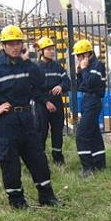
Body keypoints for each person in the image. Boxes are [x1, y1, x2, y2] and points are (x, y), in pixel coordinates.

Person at [0, 24, 61, 209]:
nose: (14, 47)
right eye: (10, 43)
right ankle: (17, 202)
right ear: (3, 45)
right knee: (10, 163)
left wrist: (28, 62)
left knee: (38, 158)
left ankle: (47, 197)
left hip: (27, 119)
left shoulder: (26, 66)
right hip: (7, 123)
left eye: (18, 43)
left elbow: (40, 82)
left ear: (22, 45)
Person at [34, 36, 71, 165]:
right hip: (42, 105)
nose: (51, 51)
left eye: (52, 49)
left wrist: (61, 86)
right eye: (48, 49)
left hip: (57, 103)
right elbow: (33, 90)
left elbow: (67, 82)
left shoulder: (58, 67)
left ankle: (58, 158)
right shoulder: (35, 68)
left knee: (57, 132)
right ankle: (40, 160)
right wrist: (46, 102)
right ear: (41, 51)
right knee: (41, 132)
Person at [73, 38, 106, 176]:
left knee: (81, 135)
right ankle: (100, 164)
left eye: (78, 56)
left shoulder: (97, 66)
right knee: (94, 134)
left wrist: (85, 69)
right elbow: (82, 86)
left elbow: (91, 83)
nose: (77, 58)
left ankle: (88, 168)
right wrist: (79, 73)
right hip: (87, 100)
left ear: (85, 54)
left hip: (93, 101)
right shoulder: (88, 67)